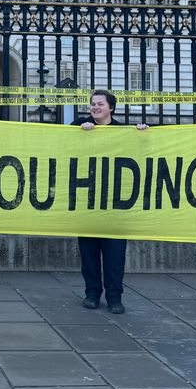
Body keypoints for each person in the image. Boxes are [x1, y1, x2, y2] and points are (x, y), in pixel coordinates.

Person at [71, 89, 148, 315]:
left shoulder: (124, 131)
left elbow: (142, 151)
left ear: (111, 108)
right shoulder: (80, 125)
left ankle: (115, 297)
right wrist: (79, 130)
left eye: (99, 104)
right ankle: (92, 294)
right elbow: (61, 142)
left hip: (115, 205)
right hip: (88, 202)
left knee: (115, 256)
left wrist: (143, 133)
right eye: (92, 104)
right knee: (89, 255)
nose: (94, 107)